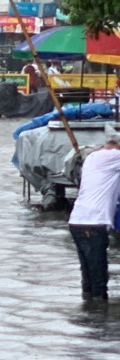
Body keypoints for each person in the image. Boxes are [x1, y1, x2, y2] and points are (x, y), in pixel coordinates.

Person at [67, 123, 120, 304]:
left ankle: (89, 317)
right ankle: (98, 321)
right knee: (98, 276)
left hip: (77, 221)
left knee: (88, 275)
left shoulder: (93, 157)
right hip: (93, 223)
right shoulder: (113, 157)